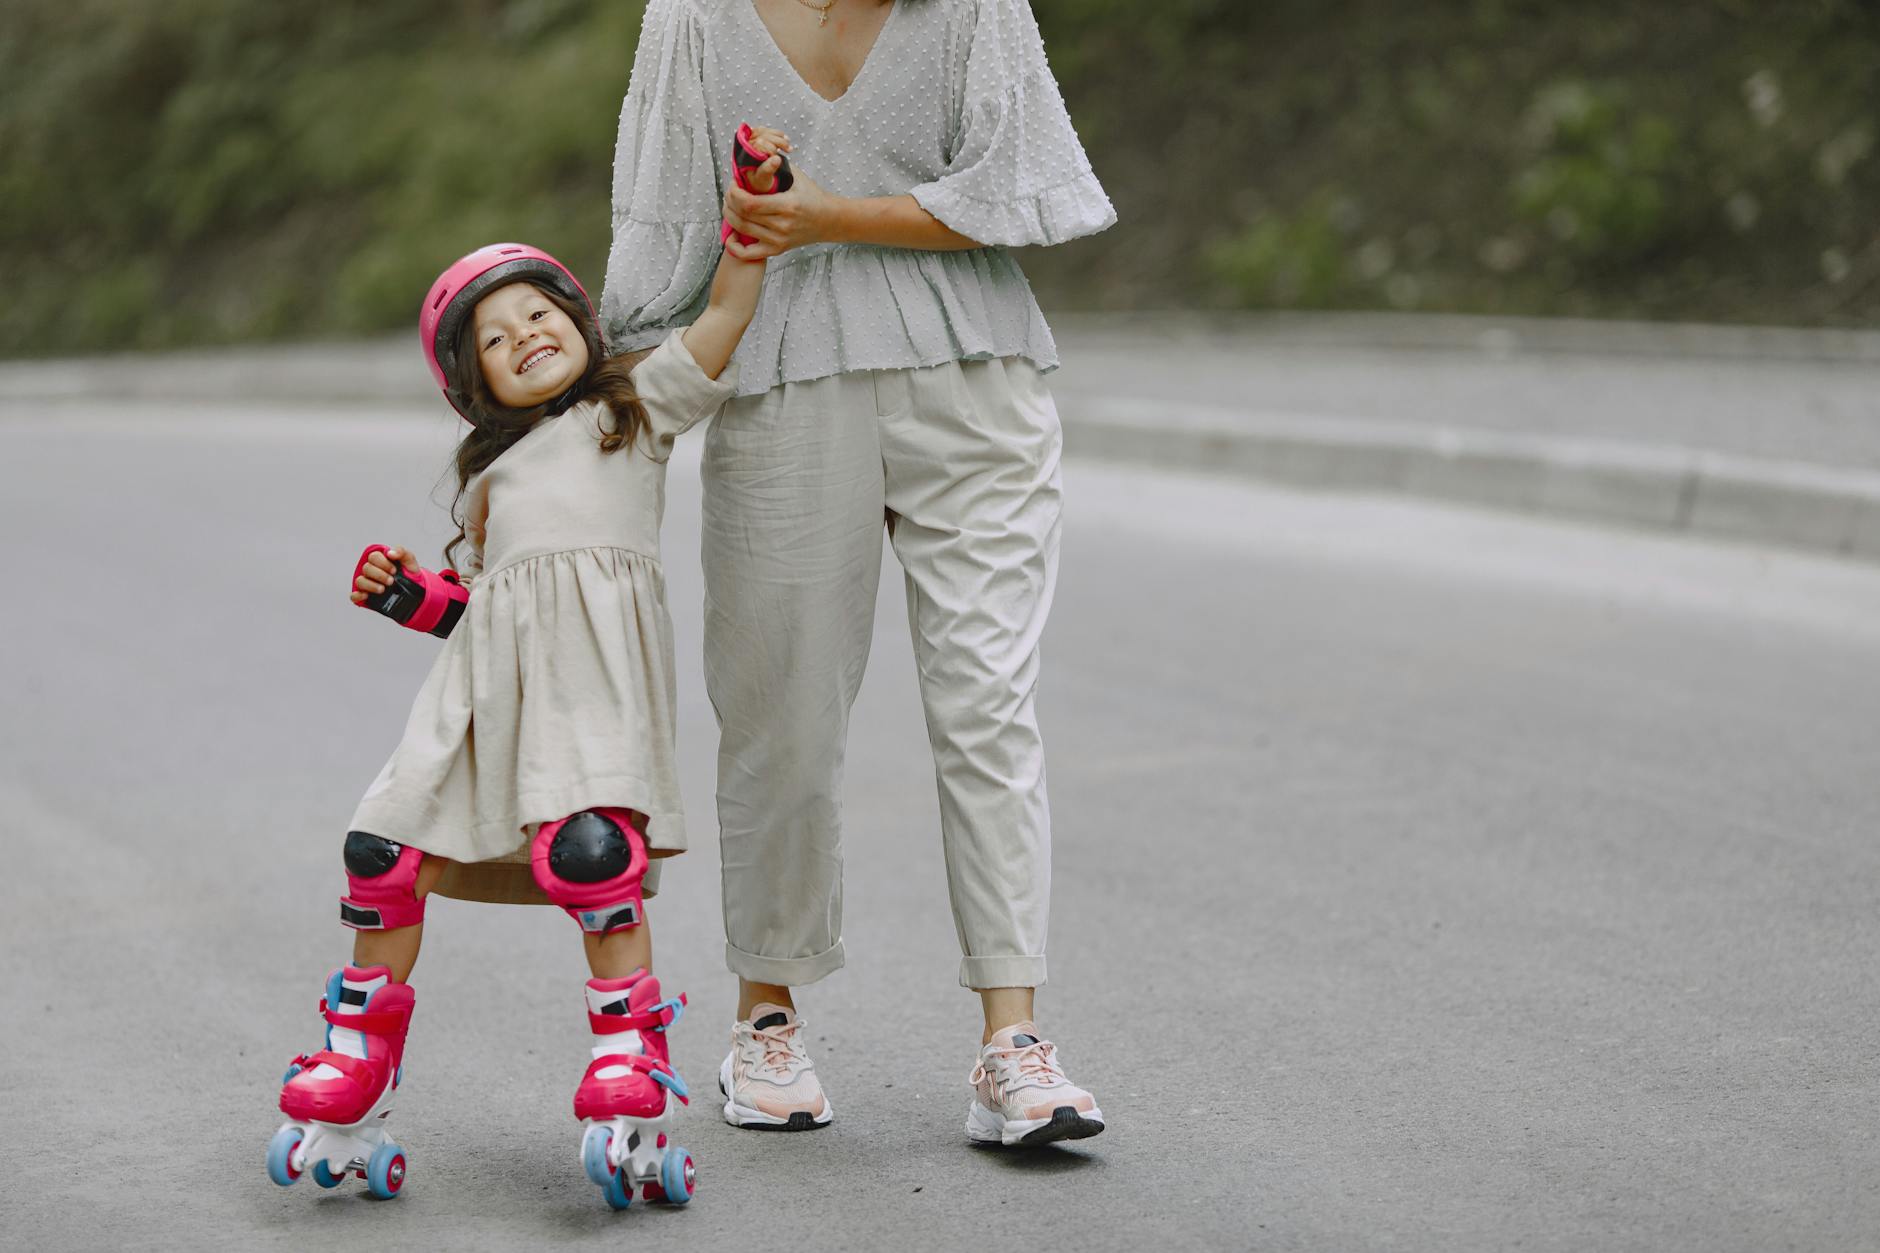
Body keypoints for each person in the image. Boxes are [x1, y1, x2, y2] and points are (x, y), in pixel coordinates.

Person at [602, 0, 1116, 1146]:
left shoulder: (974, 9)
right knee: (779, 713)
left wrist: (820, 212)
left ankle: (1011, 1042)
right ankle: (764, 1024)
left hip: (975, 375)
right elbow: (659, 225)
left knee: (985, 700)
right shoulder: (692, 17)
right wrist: (611, 414)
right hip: (779, 381)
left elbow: (1015, 192)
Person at [264, 168, 777, 1206]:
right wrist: (412, 597)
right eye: (495, 340)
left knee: (594, 853)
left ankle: (627, 1057)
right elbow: (490, 614)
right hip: (480, 705)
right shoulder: (489, 480)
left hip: (590, 697)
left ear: (580, 323)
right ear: (474, 386)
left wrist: (749, 229)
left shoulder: (632, 411)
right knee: (381, 851)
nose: (524, 336)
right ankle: (356, 1054)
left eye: (538, 314)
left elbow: (724, 315)